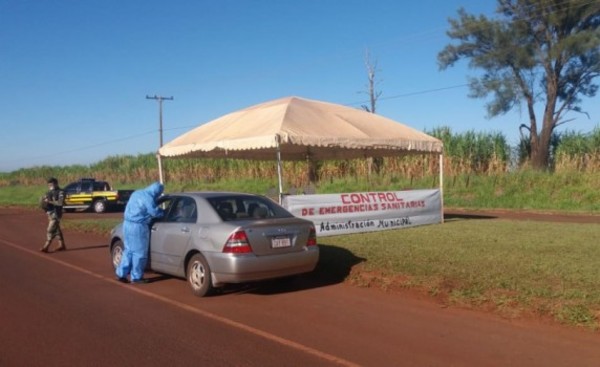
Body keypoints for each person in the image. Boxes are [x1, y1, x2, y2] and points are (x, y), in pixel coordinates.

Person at [115, 182, 164, 284]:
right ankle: (136, 277)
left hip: (126, 224)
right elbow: (154, 212)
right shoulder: (148, 199)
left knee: (128, 250)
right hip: (138, 226)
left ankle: (121, 274)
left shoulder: (136, 193)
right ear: (157, 192)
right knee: (139, 253)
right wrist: (163, 212)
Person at [40, 177, 66, 253]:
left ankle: (46, 246)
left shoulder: (61, 192)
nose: (50, 186)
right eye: (49, 184)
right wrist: (43, 202)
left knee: (50, 229)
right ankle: (62, 245)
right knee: (57, 229)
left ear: (56, 183)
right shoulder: (48, 192)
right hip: (49, 214)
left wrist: (49, 201)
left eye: (51, 184)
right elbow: (44, 203)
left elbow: (60, 203)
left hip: (56, 214)